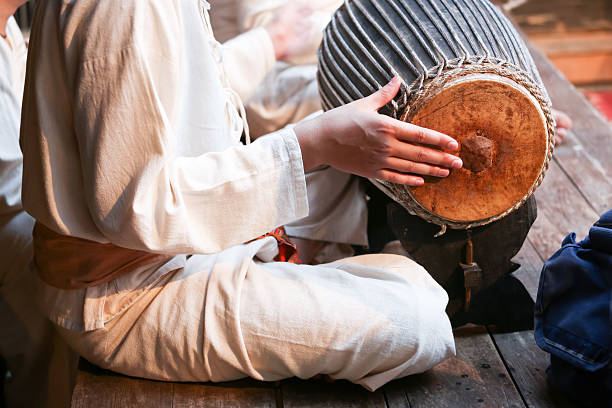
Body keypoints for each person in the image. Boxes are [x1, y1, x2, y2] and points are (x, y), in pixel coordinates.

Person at [21, 0, 462, 392]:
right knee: (414, 320)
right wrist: (311, 145)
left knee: (340, 192)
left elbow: (188, 86)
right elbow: (137, 207)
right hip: (127, 293)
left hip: (180, 246)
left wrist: (274, 40)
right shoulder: (125, 8)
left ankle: (305, 281)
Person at [0, 1, 77, 406]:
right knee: (52, 256)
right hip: (8, 226)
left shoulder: (12, 30)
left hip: (19, 206)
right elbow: (9, 186)